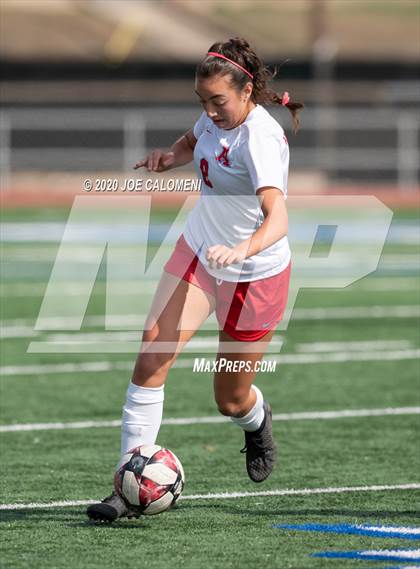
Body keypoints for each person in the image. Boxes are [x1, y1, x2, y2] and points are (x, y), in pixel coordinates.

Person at [87, 37, 304, 522]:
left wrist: (241, 249)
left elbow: (279, 220)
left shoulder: (261, 139)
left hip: (255, 274)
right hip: (202, 253)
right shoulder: (213, 115)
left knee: (229, 399)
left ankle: (257, 420)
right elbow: (192, 140)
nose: (209, 111)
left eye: (218, 102)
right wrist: (169, 157)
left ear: (247, 91)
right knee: (152, 352)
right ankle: (127, 485)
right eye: (202, 102)